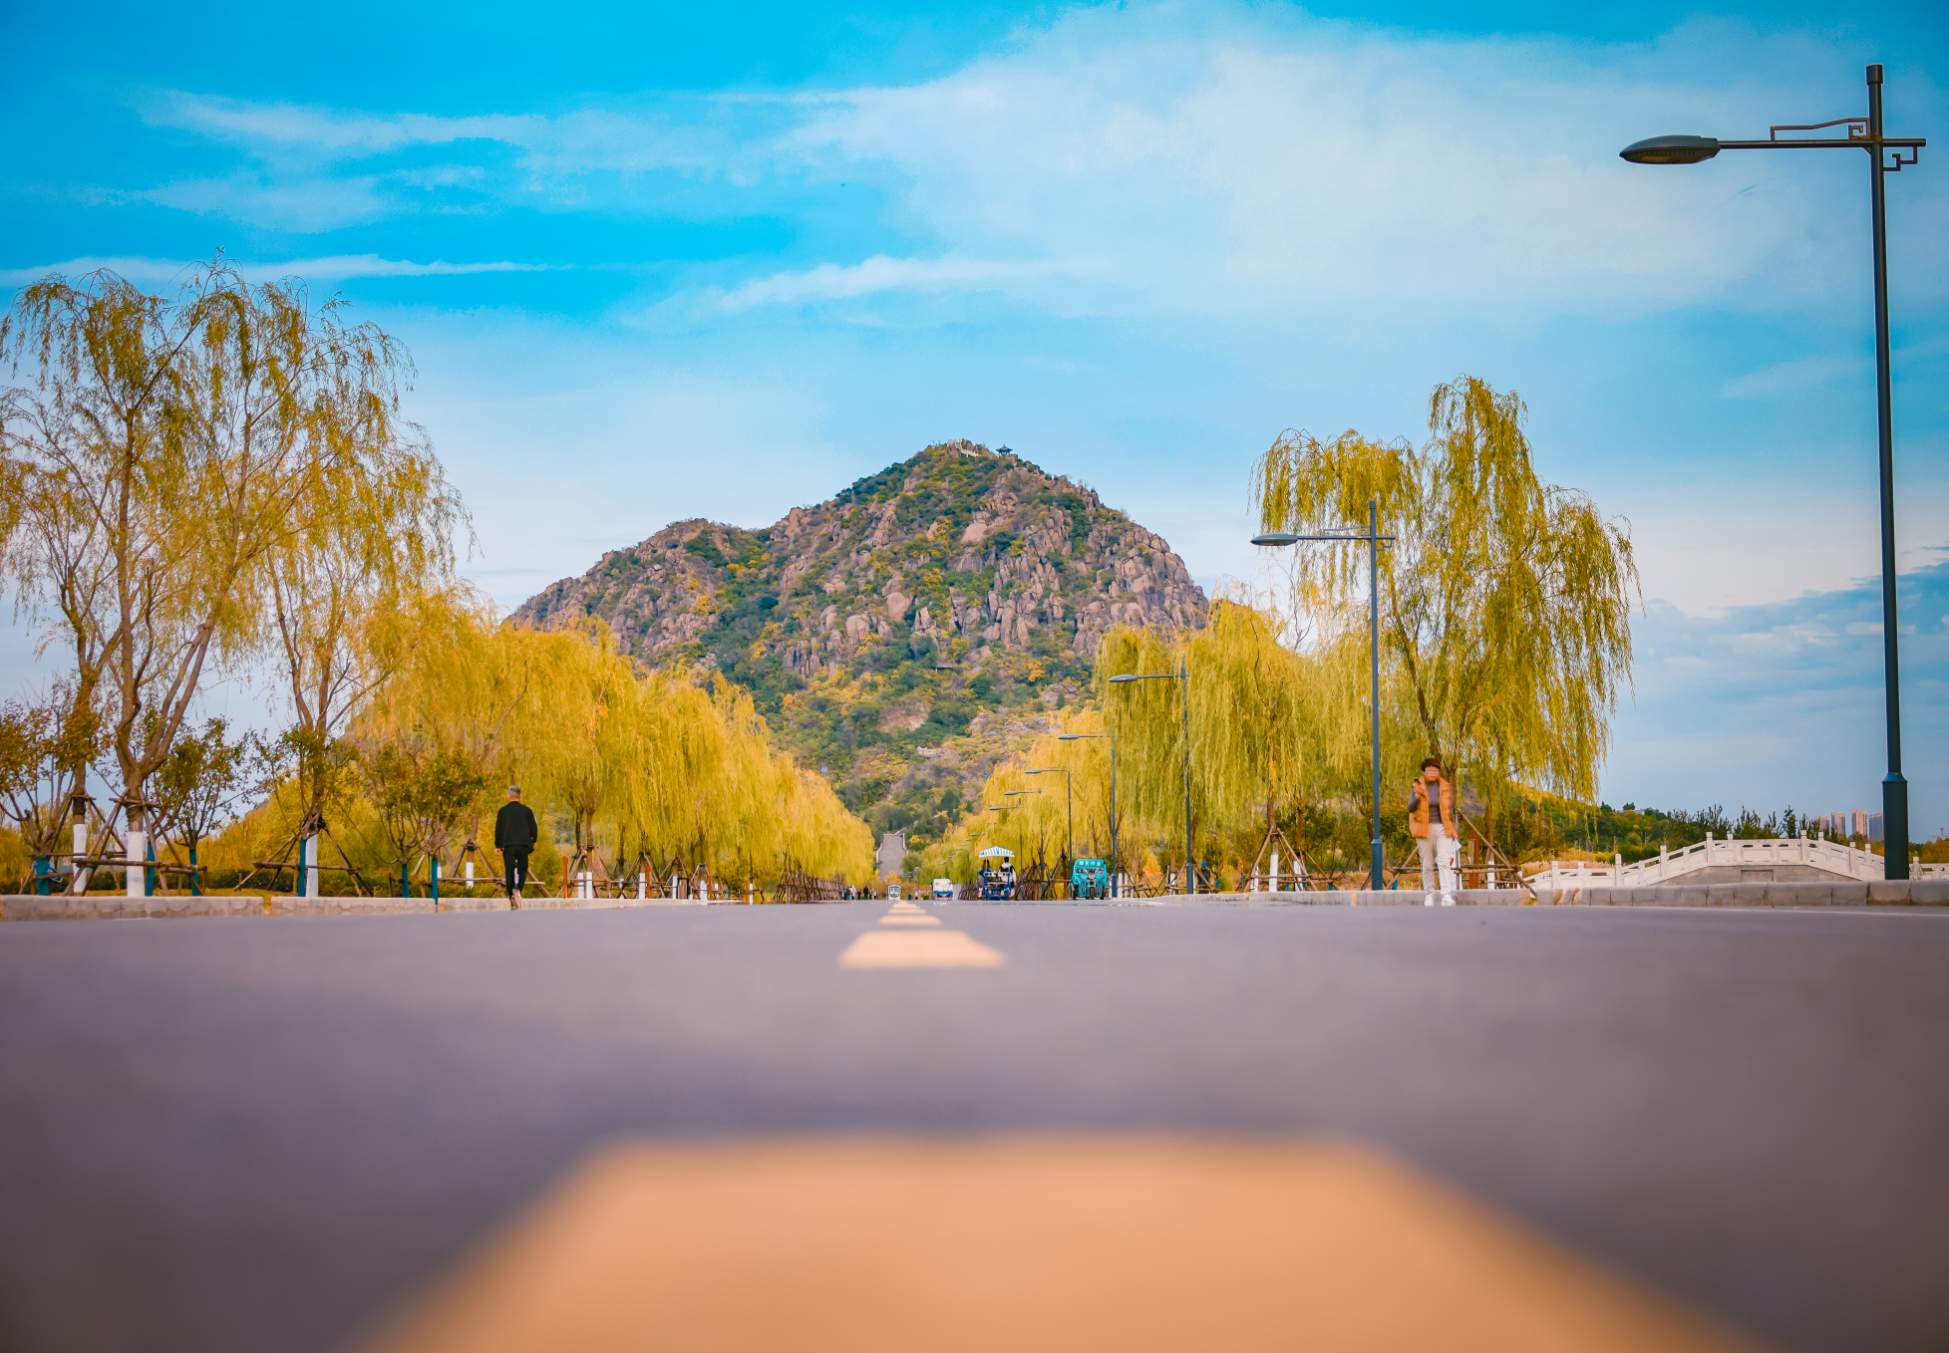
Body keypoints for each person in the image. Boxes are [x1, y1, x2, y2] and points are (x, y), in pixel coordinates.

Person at [1407, 756, 1459, 907]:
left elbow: (1449, 809)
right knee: (1427, 864)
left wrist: (1453, 828)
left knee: (1444, 861)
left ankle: (1446, 895)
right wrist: (1416, 796)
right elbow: (1410, 807)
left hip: (1443, 828)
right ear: (1424, 771)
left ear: (1438, 771)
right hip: (1424, 828)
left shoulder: (1445, 786)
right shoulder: (1417, 785)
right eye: (1429, 769)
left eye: (1435, 769)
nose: (1432, 771)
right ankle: (1429, 894)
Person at [494, 785, 539, 908]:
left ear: (508, 796)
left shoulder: (502, 811)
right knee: (522, 869)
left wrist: (498, 845)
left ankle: (511, 895)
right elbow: (534, 828)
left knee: (509, 869)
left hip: (508, 845)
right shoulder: (527, 811)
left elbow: (499, 830)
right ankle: (518, 888)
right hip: (523, 845)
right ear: (520, 796)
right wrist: (533, 840)